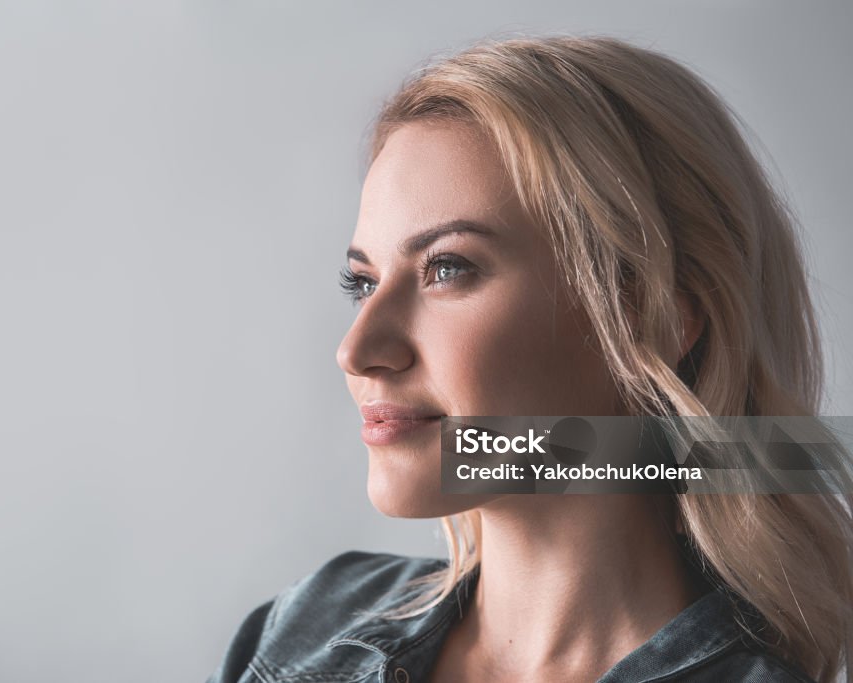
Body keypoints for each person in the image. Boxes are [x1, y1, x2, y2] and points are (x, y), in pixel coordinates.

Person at [208, 36, 853, 682]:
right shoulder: (301, 627)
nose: (357, 351)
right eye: (365, 282)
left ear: (652, 321)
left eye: (447, 268)